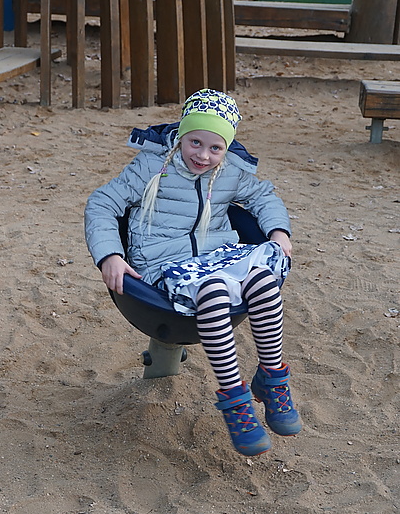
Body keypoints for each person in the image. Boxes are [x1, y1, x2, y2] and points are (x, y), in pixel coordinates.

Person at [85, 89, 302, 457]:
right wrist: (110, 255)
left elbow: (264, 197)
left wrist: (279, 230)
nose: (203, 155)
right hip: (162, 266)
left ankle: (272, 378)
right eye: (195, 142)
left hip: (216, 256)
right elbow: (103, 202)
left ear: (227, 148)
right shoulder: (152, 166)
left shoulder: (231, 170)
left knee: (264, 279)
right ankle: (236, 401)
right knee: (215, 289)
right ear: (182, 135)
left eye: (215, 148)